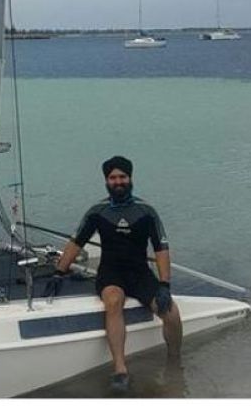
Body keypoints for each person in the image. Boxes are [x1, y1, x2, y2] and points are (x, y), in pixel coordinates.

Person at [45, 155, 182, 393]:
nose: (118, 181)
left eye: (122, 177)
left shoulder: (146, 211)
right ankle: (120, 370)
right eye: (113, 178)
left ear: (130, 179)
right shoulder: (97, 211)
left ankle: (174, 361)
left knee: (171, 313)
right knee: (113, 301)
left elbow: (161, 248)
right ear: (106, 181)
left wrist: (164, 285)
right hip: (111, 274)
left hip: (140, 274)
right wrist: (59, 271)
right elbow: (76, 242)